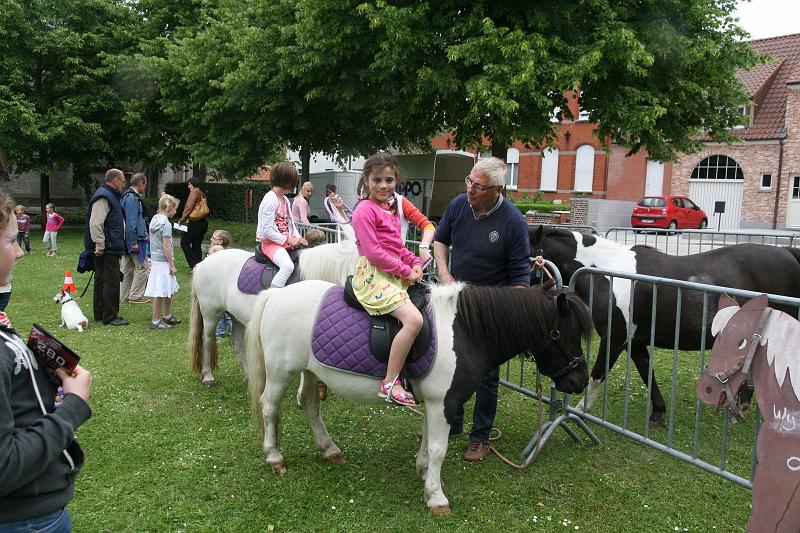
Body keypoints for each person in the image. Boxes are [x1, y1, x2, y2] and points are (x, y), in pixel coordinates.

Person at [0, 189, 93, 532]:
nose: (19, 253)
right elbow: (4, 467)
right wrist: (73, 405)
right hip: (27, 517)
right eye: (11, 241)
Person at [433, 156, 531, 461]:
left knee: (486, 375)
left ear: (498, 190)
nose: (470, 190)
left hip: (489, 313)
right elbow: (440, 240)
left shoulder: (514, 223)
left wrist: (507, 318)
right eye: (469, 181)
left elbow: (520, 281)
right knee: (452, 366)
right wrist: (445, 273)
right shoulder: (459, 205)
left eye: (477, 186)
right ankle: (453, 423)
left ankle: (481, 436)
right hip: (455, 302)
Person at [351, 153, 424, 407]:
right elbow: (374, 253)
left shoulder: (391, 210)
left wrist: (414, 262)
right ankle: (390, 382)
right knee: (414, 320)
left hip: (393, 271)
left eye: (389, 180)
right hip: (373, 275)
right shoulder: (364, 210)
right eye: (377, 180)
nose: (384, 185)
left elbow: (398, 247)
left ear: (397, 181)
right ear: (366, 180)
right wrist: (406, 271)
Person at [85, 169, 129, 326]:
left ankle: (101, 313)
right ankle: (110, 316)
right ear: (116, 180)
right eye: (123, 181)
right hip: (107, 247)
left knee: (103, 279)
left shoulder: (109, 196)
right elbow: (96, 222)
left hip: (108, 246)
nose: (124, 185)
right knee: (110, 280)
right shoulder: (104, 196)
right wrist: (100, 244)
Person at [255, 162, 307, 288]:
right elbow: (267, 230)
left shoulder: (284, 200)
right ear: (287, 181)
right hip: (270, 244)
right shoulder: (269, 200)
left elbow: (291, 224)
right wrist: (288, 239)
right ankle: (272, 296)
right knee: (287, 266)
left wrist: (298, 237)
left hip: (283, 242)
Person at [144, 194, 181, 330]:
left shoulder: (155, 219)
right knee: (160, 291)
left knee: (167, 289)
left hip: (155, 259)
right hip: (163, 262)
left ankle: (167, 315)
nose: (176, 212)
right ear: (169, 208)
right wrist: (171, 264)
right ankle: (156, 320)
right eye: (175, 209)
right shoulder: (166, 224)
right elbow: (166, 246)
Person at [120, 173, 151, 304]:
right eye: (145, 184)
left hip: (128, 239)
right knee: (143, 267)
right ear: (140, 183)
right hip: (135, 239)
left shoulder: (126, 196)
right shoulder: (132, 198)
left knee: (127, 269)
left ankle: (124, 296)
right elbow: (131, 222)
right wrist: (133, 242)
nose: (146, 186)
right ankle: (135, 295)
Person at [178, 177, 209, 270]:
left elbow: (188, 207)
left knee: (184, 242)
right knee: (196, 244)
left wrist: (182, 219)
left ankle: (195, 265)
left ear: (193, 184)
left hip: (195, 223)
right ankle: (199, 266)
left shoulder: (194, 192)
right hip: (203, 223)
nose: (188, 186)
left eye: (189, 184)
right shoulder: (202, 193)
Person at [207, 229, 233, 337]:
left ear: (220, 241)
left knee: (224, 313)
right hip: (221, 290)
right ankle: (223, 332)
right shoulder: (224, 253)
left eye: (213, 238)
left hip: (220, 290)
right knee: (224, 313)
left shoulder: (218, 253)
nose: (211, 239)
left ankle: (221, 332)